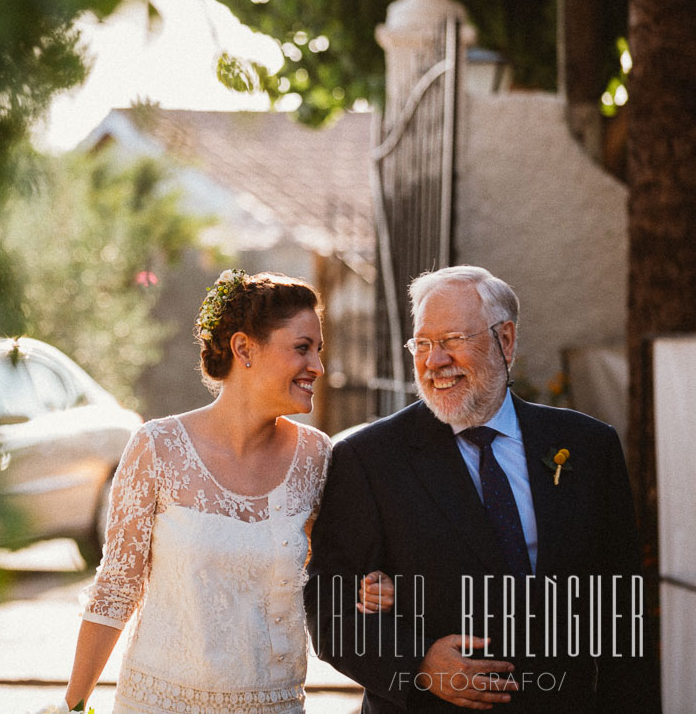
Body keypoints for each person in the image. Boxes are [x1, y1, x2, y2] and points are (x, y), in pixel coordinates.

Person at [39, 270, 393, 714]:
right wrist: (73, 704)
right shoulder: (157, 447)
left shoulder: (318, 457)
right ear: (244, 348)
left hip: (273, 704)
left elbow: (335, 576)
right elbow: (116, 588)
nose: (318, 367)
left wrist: (369, 587)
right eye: (302, 348)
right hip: (159, 703)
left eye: (318, 351)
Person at [305, 265, 652, 713]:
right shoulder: (368, 459)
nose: (434, 361)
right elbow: (330, 605)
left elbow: (622, 602)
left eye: (452, 340)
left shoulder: (588, 446)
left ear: (505, 341)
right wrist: (420, 664)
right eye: (424, 344)